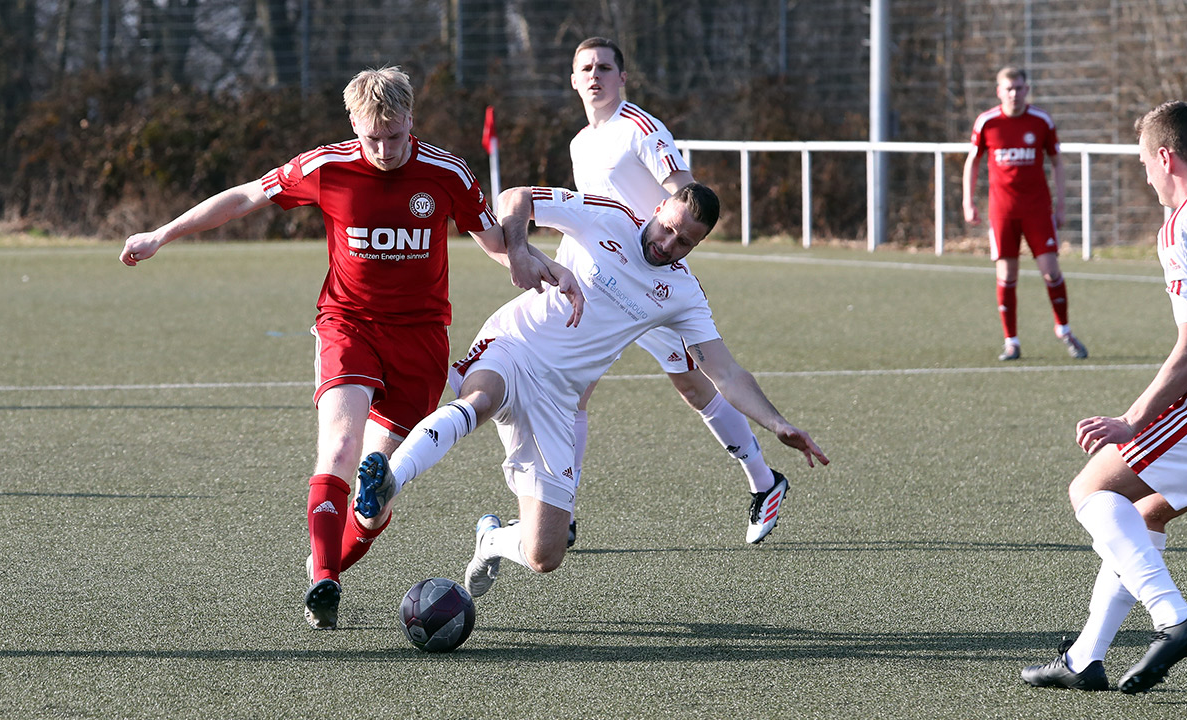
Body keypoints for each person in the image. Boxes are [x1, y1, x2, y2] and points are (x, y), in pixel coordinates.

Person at [119, 66, 574, 631]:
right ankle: (324, 581)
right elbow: (244, 197)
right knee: (337, 446)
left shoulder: (447, 173)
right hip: (348, 325)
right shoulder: (327, 165)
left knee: (378, 490)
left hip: (421, 340)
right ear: (353, 124)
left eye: (395, 136)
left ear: (411, 120)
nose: (383, 149)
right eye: (371, 137)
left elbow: (494, 242)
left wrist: (541, 266)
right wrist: (160, 235)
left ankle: (325, 562)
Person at [352, 183, 829, 601]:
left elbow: (724, 372)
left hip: (560, 400)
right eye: (667, 228)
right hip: (515, 344)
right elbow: (515, 198)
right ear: (659, 208)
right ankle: (388, 479)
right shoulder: (608, 216)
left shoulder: (683, 294)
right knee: (478, 402)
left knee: (545, 555)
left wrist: (779, 424)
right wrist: (519, 249)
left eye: (685, 242)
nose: (668, 244)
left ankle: (492, 541)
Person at [562, 36, 790, 547]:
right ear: (574, 79)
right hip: (603, 283)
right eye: (586, 68)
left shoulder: (640, 129)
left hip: (651, 284)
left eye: (605, 67)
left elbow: (687, 194)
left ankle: (764, 480)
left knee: (693, 386)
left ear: (623, 78)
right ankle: (563, 513)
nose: (595, 75)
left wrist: (674, 246)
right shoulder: (580, 142)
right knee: (574, 390)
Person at [1020, 100, 1187, 694]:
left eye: (1145, 166)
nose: (1147, 179)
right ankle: (1085, 657)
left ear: (1165, 157)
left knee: (1091, 489)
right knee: (1146, 511)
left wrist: (1131, 420)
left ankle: (1174, 620)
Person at [962, 66, 1087, 362]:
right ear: (999, 91)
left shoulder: (1041, 120)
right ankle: (1011, 341)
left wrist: (1061, 204)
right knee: (1007, 275)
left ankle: (1063, 328)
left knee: (1051, 270)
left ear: (1026, 89)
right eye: (1009, 89)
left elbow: (1056, 162)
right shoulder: (987, 122)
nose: (1014, 94)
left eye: (1019, 88)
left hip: (1037, 210)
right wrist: (968, 201)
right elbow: (972, 161)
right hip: (1003, 211)